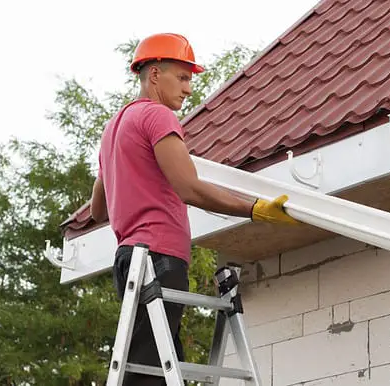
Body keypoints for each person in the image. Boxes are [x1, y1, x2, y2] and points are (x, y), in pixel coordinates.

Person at [88, 32, 299, 385]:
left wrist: (129, 181)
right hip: (158, 259)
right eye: (182, 77)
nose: (188, 89)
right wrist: (254, 208)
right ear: (155, 74)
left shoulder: (114, 128)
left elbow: (97, 210)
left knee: (158, 365)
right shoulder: (157, 117)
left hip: (129, 261)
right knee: (147, 374)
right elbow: (189, 188)